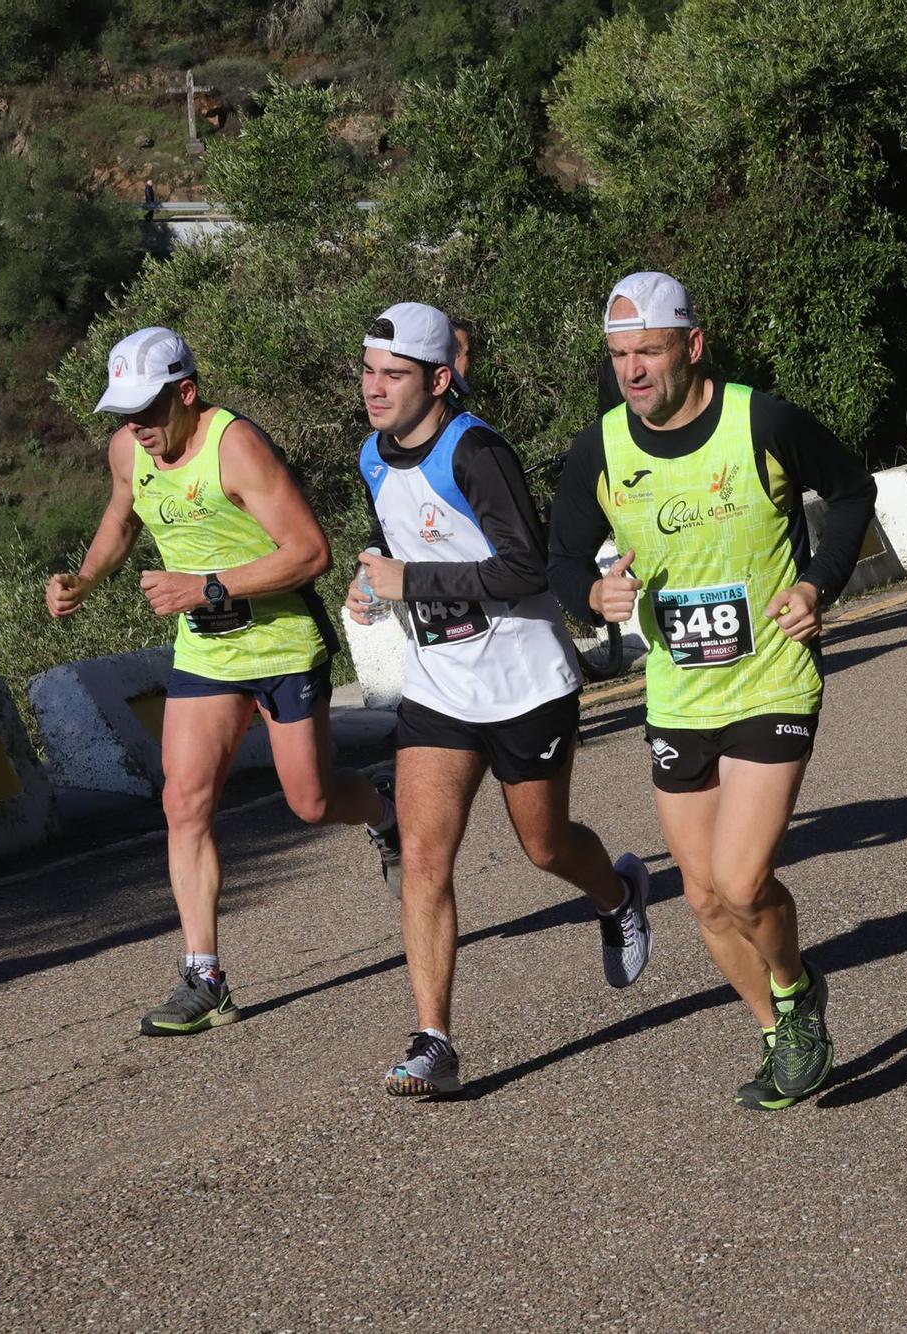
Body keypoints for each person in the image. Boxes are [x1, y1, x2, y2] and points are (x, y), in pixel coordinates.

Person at [547, 271, 877, 1111]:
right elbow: (559, 561)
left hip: (771, 678)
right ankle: (778, 1029)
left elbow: (850, 490)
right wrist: (593, 597)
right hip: (678, 696)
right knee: (699, 896)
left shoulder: (758, 419)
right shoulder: (600, 450)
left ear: (692, 346)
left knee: (738, 880)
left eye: (648, 353)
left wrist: (816, 586)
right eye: (620, 356)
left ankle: (798, 990)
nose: (633, 372)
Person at [46, 328, 395, 1037]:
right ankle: (204, 977)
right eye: (123, 414)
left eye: (147, 410)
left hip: (282, 647)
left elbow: (310, 553)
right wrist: (84, 578)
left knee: (311, 798)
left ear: (186, 392)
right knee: (184, 800)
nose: (136, 428)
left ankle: (384, 814)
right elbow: (120, 519)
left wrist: (203, 586)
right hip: (207, 656)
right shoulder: (128, 451)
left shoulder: (234, 447)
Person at [346, 302, 651, 1097]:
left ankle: (618, 893)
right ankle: (433, 1040)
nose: (374, 389)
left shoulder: (475, 450)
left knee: (544, 847)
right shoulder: (372, 457)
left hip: (523, 683)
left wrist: (408, 580)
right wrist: (372, 579)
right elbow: (411, 540)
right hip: (440, 687)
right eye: (368, 372)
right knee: (423, 856)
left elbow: (525, 568)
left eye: (394, 375)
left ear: (439, 379)